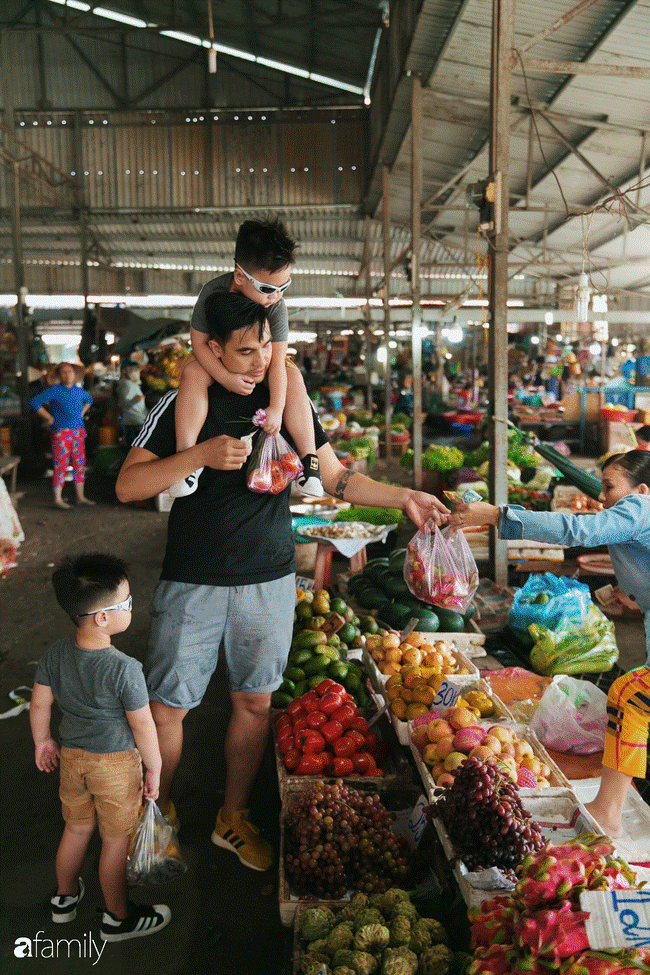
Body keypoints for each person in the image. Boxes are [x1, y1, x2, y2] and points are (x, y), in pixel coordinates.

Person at [115, 290, 449, 871]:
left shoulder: (285, 396)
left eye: (267, 347)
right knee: (168, 709)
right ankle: (157, 814)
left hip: (269, 579)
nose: (259, 361)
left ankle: (232, 817)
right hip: (194, 579)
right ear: (214, 348)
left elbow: (335, 476)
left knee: (254, 704)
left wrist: (403, 497)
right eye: (245, 351)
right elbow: (128, 486)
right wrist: (199, 455)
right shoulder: (182, 399)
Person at [450, 449, 650, 838]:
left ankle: (608, 812)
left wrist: (497, 516)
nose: (601, 497)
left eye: (609, 486)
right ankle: (610, 808)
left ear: (641, 490)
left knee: (629, 694)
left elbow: (578, 530)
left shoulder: (641, 507)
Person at [29, 553, 171, 941]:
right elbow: (142, 724)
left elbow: (39, 704)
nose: (132, 607)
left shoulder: (56, 654)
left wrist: (43, 741)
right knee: (113, 842)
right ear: (103, 618)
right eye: (127, 602)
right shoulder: (125, 669)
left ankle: (64, 898)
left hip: (73, 761)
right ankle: (117, 918)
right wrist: (155, 767)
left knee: (76, 830)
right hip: (116, 767)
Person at [168, 218, 323, 499]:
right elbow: (199, 342)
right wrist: (224, 376)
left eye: (284, 287)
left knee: (293, 376)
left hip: (268, 364)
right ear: (240, 277)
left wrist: (276, 408)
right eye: (268, 289)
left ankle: (310, 463)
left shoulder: (276, 305)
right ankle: (185, 462)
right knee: (192, 374)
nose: (276, 296)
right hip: (217, 357)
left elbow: (277, 360)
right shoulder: (212, 292)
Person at [30, 362, 95, 509]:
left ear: (75, 374)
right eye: (64, 372)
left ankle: (80, 497)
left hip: (78, 431)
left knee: (79, 464)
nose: (67, 375)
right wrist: (48, 417)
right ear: (59, 375)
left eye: (70, 372)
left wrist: (82, 412)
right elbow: (34, 402)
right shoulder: (54, 390)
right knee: (60, 465)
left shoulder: (79, 391)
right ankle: (58, 499)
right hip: (60, 432)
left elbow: (89, 400)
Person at [117, 361, 148, 447]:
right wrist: (135, 400)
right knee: (136, 445)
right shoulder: (127, 385)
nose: (137, 372)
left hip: (137, 418)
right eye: (135, 370)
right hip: (134, 420)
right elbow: (124, 403)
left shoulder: (131, 384)